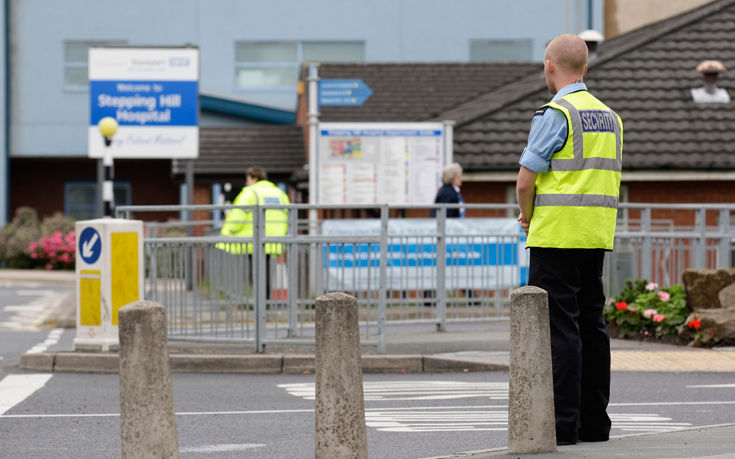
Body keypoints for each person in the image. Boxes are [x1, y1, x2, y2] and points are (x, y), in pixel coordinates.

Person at [515, 33, 623, 446]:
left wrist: (527, 215)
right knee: (592, 326)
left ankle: (564, 425)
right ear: (586, 68)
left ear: (549, 66)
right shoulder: (610, 117)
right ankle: (596, 424)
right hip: (594, 236)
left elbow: (526, 178)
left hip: (556, 236)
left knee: (559, 330)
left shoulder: (556, 113)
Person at [217, 166, 290, 299]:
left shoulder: (251, 192)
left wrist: (227, 232)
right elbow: (287, 215)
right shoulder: (279, 193)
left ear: (254, 178)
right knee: (265, 271)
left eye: (248, 179)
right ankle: (264, 302)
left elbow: (238, 214)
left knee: (256, 273)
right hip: (274, 239)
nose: (246, 183)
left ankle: (260, 303)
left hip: (254, 239)